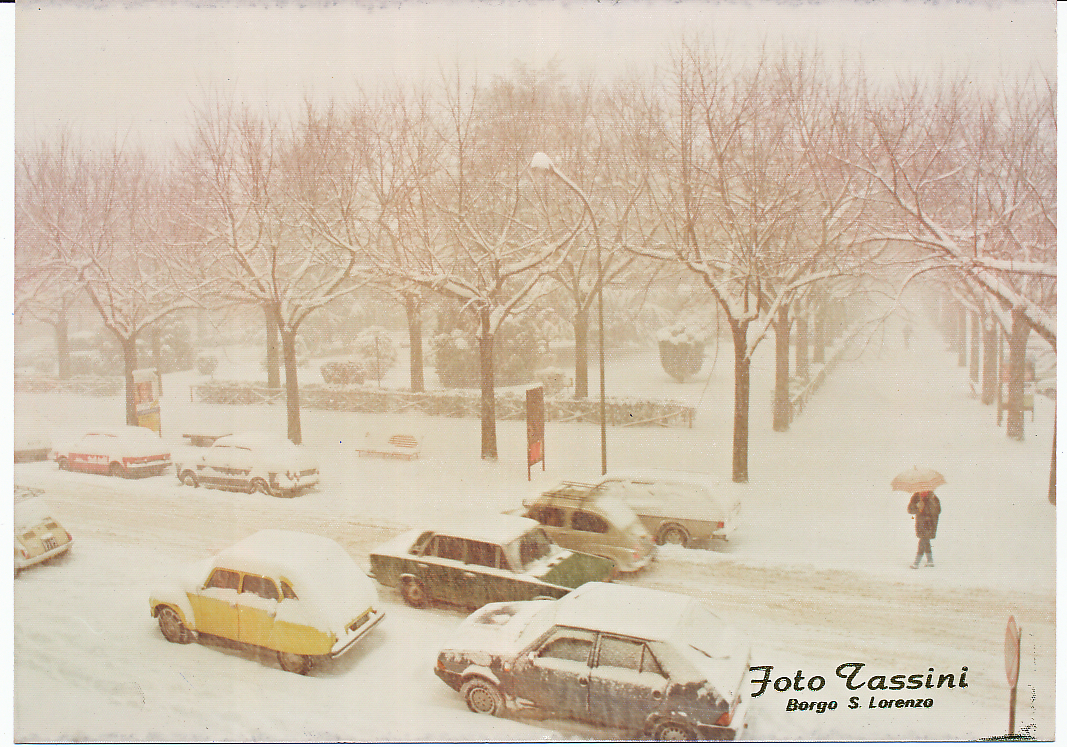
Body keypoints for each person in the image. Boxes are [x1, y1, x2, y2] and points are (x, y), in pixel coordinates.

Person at [908, 490, 941, 568]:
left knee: (923, 540)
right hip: (920, 524)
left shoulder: (933, 497)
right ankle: (930, 561)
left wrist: (930, 506)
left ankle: (916, 563)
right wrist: (917, 507)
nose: (924, 491)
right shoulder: (916, 497)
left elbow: (938, 510)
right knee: (925, 541)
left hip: (930, 524)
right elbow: (910, 510)